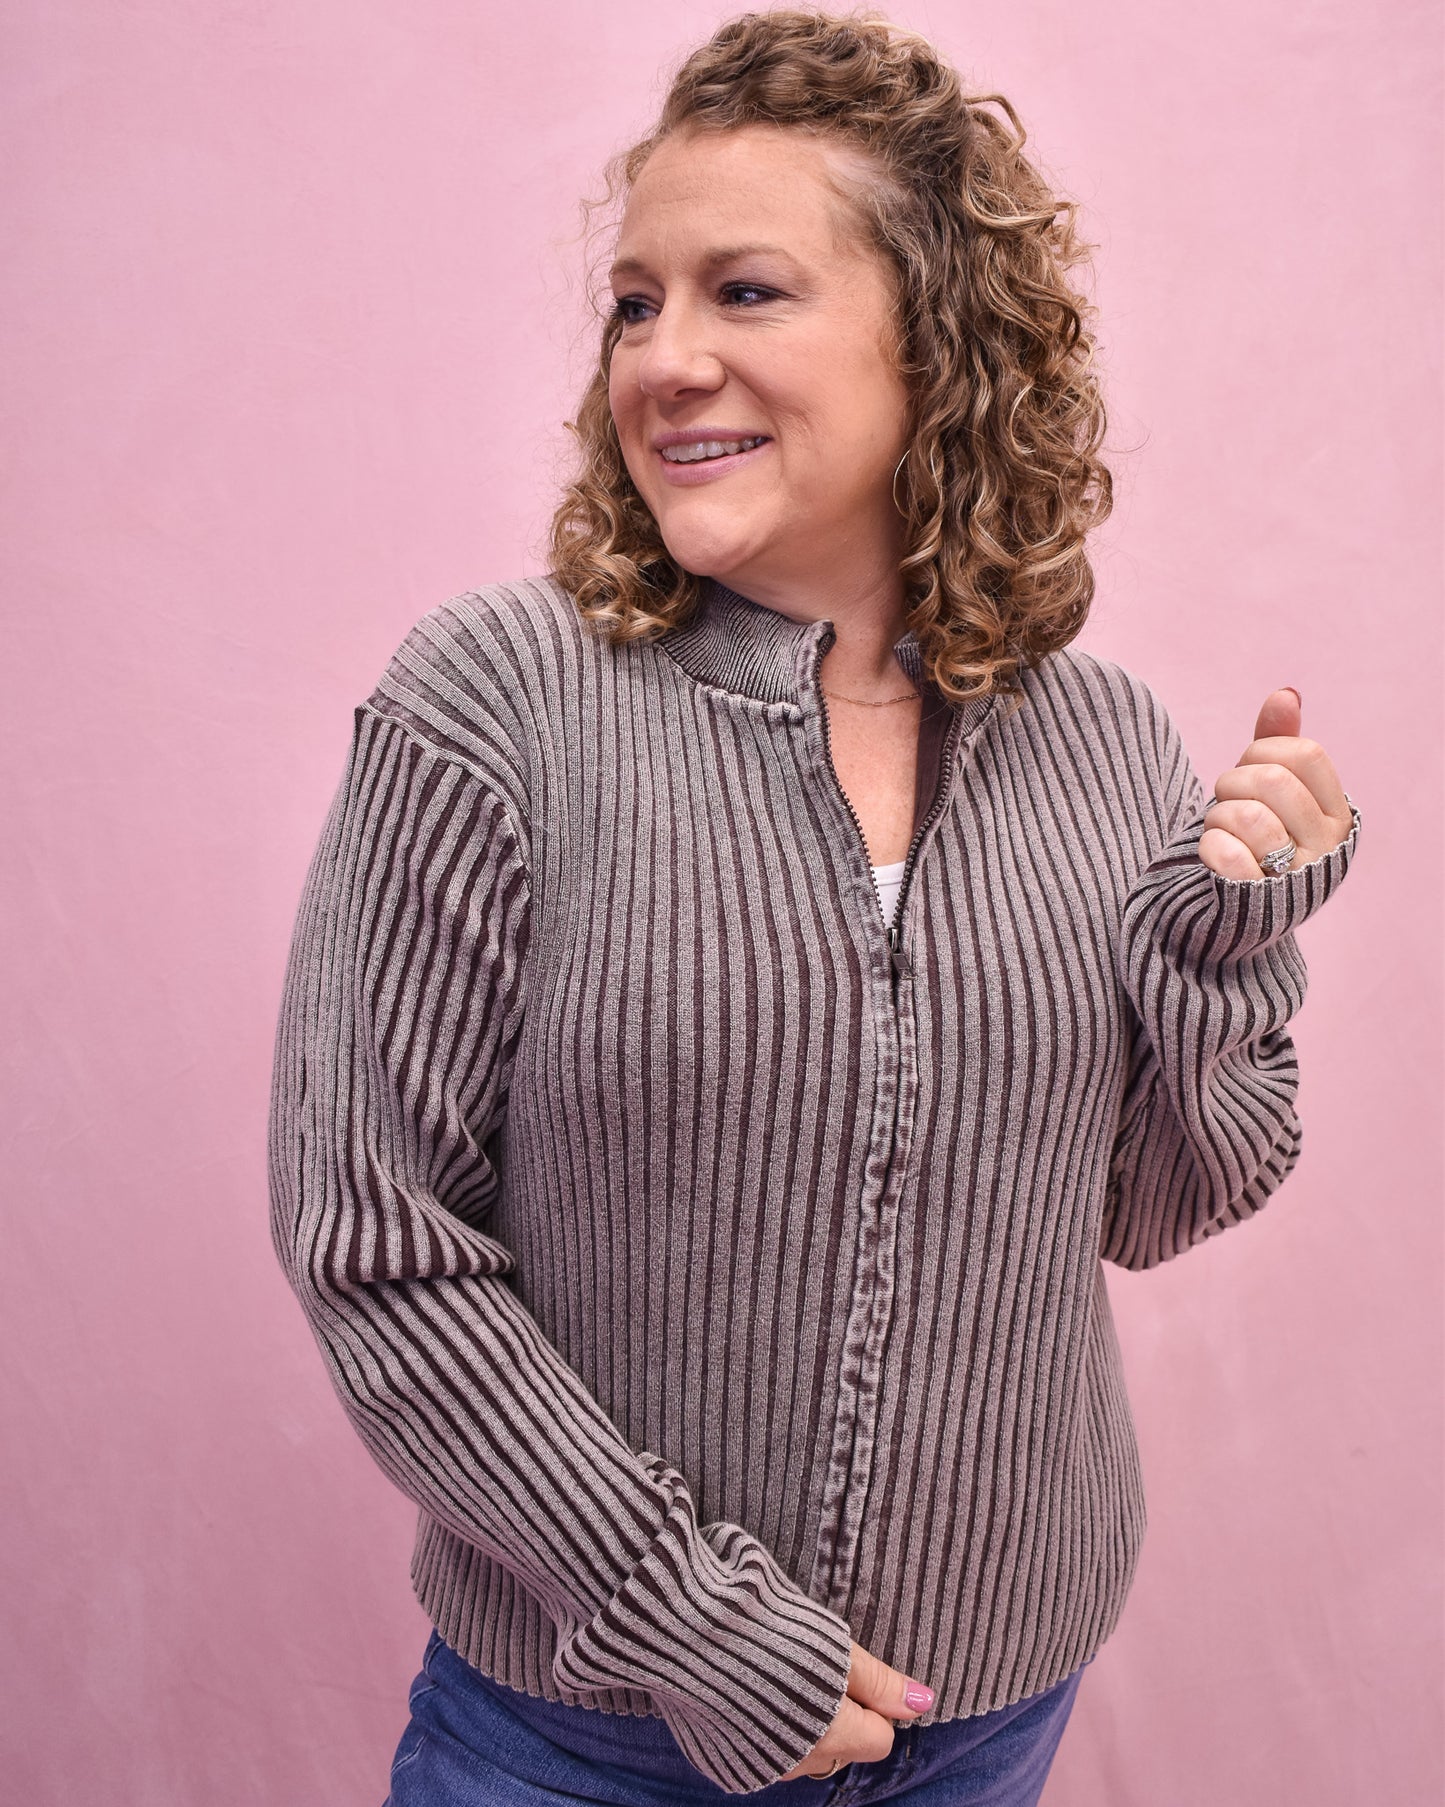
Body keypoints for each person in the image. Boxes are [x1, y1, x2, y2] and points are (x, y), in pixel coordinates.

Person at [266, 10, 1363, 1804]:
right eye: (636, 302)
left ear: (938, 341)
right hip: (581, 1736)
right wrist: (690, 1620)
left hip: (985, 1706)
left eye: (743, 293)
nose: (663, 359)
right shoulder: (496, 703)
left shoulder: (1097, 741)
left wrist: (1226, 943)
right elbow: (376, 1241)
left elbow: (1153, 1205)